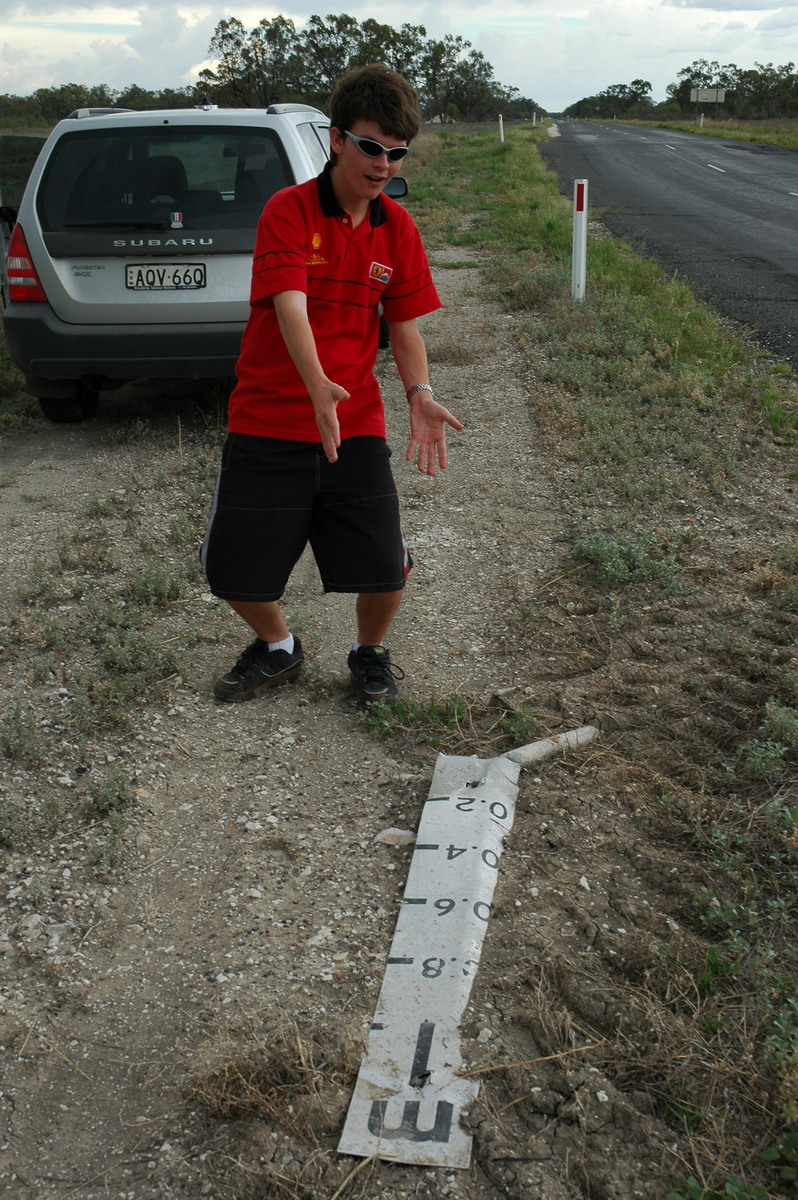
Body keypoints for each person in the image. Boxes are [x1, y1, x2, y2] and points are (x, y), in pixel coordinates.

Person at [201, 63, 463, 707]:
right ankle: (278, 646)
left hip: (356, 422)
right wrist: (316, 383)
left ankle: (369, 654)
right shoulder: (288, 212)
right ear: (337, 139)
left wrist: (419, 394)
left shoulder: (397, 230)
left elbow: (403, 329)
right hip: (268, 416)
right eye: (371, 147)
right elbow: (289, 302)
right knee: (233, 573)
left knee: (385, 566)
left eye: (396, 153)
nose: (383, 164)